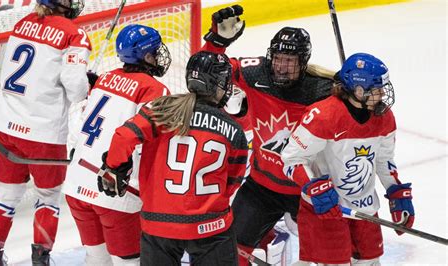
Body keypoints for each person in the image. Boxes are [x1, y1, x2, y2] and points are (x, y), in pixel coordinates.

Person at [202, 5, 335, 265]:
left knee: (332, 257)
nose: (282, 67)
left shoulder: (320, 90)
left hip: (306, 189)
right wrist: (216, 42)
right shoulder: (256, 73)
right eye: (278, 59)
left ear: (303, 61)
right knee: (231, 253)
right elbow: (208, 69)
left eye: (290, 61)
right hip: (261, 187)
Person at [98, 51, 249, 265]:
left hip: (158, 223)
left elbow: (123, 137)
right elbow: (232, 183)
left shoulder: (162, 108)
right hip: (210, 226)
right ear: (216, 85)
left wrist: (114, 168)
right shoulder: (233, 129)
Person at [0, 0, 91, 265]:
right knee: (48, 197)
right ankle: (40, 259)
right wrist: (88, 81)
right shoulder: (73, 34)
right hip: (43, 133)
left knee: (5, 194)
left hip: (7, 127)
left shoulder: (22, 24)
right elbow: (76, 91)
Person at [281, 53, 415, 265]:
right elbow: (291, 159)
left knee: (370, 262)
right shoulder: (323, 116)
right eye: (377, 90)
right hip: (326, 209)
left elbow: (384, 160)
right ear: (359, 91)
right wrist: (314, 187)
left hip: (365, 207)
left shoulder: (384, 118)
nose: (382, 95)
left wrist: (396, 191)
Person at [62, 24, 171, 265]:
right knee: (128, 262)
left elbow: (77, 123)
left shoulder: (103, 80)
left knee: (96, 258)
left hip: (76, 184)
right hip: (115, 189)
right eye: (155, 51)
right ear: (147, 56)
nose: (159, 55)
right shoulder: (155, 89)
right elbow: (145, 143)